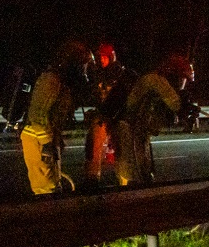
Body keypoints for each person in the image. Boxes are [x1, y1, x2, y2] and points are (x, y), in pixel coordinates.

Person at [20, 41, 95, 194]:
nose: (84, 70)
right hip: (38, 141)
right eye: (83, 65)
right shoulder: (52, 81)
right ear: (74, 63)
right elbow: (37, 116)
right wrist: (47, 145)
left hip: (45, 140)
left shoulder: (60, 82)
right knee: (47, 190)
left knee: (54, 187)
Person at [114, 53, 197, 186]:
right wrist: (185, 106)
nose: (183, 84)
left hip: (137, 132)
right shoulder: (157, 81)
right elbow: (175, 103)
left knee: (141, 171)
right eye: (183, 79)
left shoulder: (155, 81)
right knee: (135, 176)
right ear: (174, 74)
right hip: (130, 131)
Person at [83, 43, 128, 186]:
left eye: (104, 57)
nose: (101, 60)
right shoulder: (99, 74)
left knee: (122, 151)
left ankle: (126, 180)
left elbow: (117, 98)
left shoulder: (117, 73)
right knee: (93, 145)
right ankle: (92, 177)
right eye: (99, 57)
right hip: (103, 115)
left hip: (116, 117)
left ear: (111, 57)